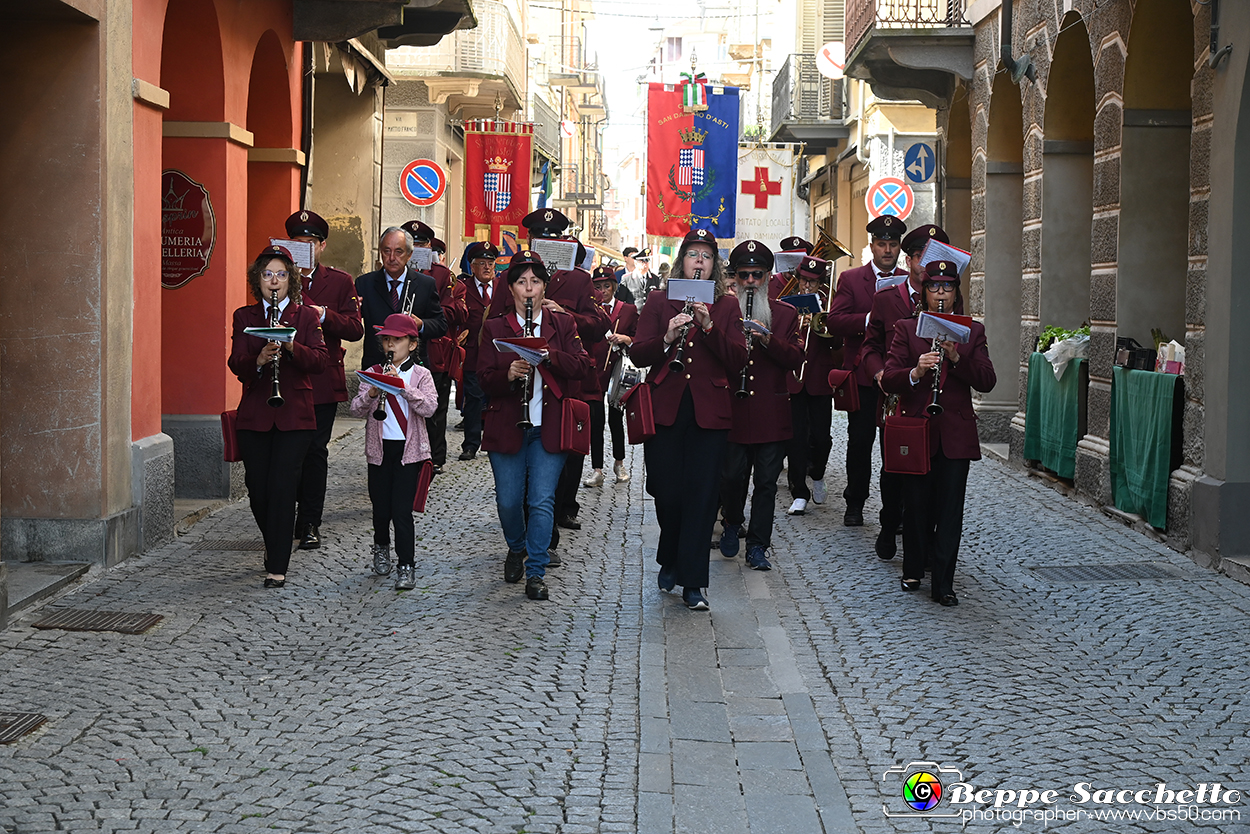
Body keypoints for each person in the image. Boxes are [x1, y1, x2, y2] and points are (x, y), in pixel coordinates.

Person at [631, 228, 748, 610]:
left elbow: (738, 360)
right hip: (666, 408)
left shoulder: (727, 306)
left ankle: (693, 582)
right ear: (682, 261)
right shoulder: (659, 300)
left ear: (715, 266)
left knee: (701, 496)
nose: (700, 261)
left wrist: (710, 327)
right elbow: (639, 354)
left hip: (708, 412)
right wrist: (666, 337)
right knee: (666, 492)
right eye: (693, 254)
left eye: (707, 256)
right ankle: (670, 552)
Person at [478, 251, 592, 600]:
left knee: (542, 500)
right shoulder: (496, 327)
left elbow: (582, 366)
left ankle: (536, 571)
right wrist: (508, 375)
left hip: (549, 426)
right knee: (509, 502)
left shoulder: (562, 325)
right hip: (508, 425)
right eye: (522, 282)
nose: (529, 289)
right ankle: (516, 546)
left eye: (536, 282)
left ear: (545, 287)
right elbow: (481, 378)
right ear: (511, 289)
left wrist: (549, 356)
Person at [489, 209, 610, 537]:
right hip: (522, 382)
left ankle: (556, 516)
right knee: (522, 464)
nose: (546, 243)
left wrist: (563, 313)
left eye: (552, 238)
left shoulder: (579, 279)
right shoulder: (511, 275)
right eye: (540, 238)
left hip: (561, 381)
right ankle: (533, 530)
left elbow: (599, 325)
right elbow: (496, 318)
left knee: (563, 457)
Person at [882, 261, 995, 606]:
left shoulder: (972, 332)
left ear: (956, 293)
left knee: (949, 510)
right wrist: (916, 371)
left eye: (948, 288)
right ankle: (913, 568)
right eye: (935, 288)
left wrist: (958, 359)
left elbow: (987, 380)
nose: (941, 294)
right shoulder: (906, 329)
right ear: (924, 293)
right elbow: (889, 378)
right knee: (916, 505)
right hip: (919, 430)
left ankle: (943, 582)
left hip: (955, 434)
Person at [227, 245, 328, 589]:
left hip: (295, 416)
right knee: (259, 490)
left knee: (284, 488)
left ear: (291, 280)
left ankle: (278, 564)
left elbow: (318, 361)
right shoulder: (245, 317)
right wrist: (258, 359)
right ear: (258, 280)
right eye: (268, 274)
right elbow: (235, 362)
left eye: (281, 274)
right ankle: (274, 542)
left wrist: (289, 347)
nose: (274, 281)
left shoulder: (305, 317)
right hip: (256, 414)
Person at [860, 223, 956, 559]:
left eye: (937, 258)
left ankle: (925, 543)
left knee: (931, 474)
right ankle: (889, 524)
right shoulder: (887, 299)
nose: (925, 264)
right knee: (894, 470)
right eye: (920, 257)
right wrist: (879, 373)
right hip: (897, 398)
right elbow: (870, 347)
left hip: (935, 400)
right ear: (910, 259)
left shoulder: (950, 300)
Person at [717, 241, 804, 571]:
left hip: (771, 411)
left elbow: (796, 358)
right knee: (730, 477)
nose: (751, 281)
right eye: (744, 275)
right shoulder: (725, 311)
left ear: (767, 277)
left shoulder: (785, 314)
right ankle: (731, 522)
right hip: (733, 411)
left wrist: (767, 339)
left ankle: (758, 546)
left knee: (766, 483)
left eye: (757, 275)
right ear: (736, 279)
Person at [283, 210, 365, 551]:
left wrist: (323, 315)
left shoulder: (340, 281)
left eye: (311, 243)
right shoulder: (278, 276)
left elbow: (355, 328)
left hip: (322, 377)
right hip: (287, 376)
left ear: (322, 246)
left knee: (316, 452)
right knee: (290, 453)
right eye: (298, 243)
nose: (305, 248)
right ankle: (286, 515)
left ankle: (311, 520)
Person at [828, 215, 908, 526]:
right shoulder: (851, 279)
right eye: (882, 244)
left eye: (893, 244)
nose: (887, 250)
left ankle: (895, 508)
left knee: (894, 443)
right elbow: (835, 321)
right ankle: (855, 501)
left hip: (896, 374)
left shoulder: (907, 279)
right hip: (862, 374)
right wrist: (870, 318)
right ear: (872, 245)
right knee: (859, 441)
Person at [349, 314, 438, 590]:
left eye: (397, 339)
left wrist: (403, 387)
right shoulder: (374, 369)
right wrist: (374, 391)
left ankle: (406, 565)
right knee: (380, 508)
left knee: (401, 510)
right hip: (379, 450)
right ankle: (381, 546)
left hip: (408, 452)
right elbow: (355, 409)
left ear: (412, 344)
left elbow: (430, 407)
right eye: (386, 339)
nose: (390, 344)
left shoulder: (421, 374)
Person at [401, 221, 467, 475]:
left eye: (421, 244)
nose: (416, 248)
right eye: (412, 244)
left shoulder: (440, 275)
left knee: (435, 408)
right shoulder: (397, 270)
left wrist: (426, 314)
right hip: (401, 348)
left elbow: (452, 311)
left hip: (434, 349)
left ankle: (435, 456)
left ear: (428, 247)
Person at [784, 255, 842, 516]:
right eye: (804, 281)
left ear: (821, 284)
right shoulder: (787, 306)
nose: (807, 287)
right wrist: (797, 324)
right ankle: (799, 492)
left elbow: (838, 345)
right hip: (794, 378)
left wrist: (824, 323)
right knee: (795, 438)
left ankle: (817, 473)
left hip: (819, 379)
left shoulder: (829, 307)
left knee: (822, 437)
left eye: (813, 282)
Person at [356, 227, 447, 370]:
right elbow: (353, 327)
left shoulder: (426, 284)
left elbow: (441, 324)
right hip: (376, 366)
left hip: (413, 369)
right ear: (381, 252)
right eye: (387, 251)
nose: (392, 258)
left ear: (409, 255)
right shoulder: (364, 283)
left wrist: (421, 324)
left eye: (399, 252)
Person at [584, 265, 639, 487]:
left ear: (614, 287)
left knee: (616, 418)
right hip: (594, 369)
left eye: (606, 286)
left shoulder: (628, 310)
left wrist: (625, 338)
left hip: (617, 369)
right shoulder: (588, 309)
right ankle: (597, 468)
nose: (603, 291)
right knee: (596, 420)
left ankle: (619, 463)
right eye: (597, 286)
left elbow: (638, 338)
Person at [457, 241, 501, 461]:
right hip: (473, 353)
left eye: (490, 263)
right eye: (481, 263)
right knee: (473, 399)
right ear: (471, 267)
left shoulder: (504, 287)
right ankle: (471, 444)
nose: (487, 267)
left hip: (499, 354)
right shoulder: (462, 288)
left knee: (498, 398)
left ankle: (497, 442)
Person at [769, 235, 813, 299]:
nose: (792, 267)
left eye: (798, 262)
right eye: (788, 260)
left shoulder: (815, 286)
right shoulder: (769, 285)